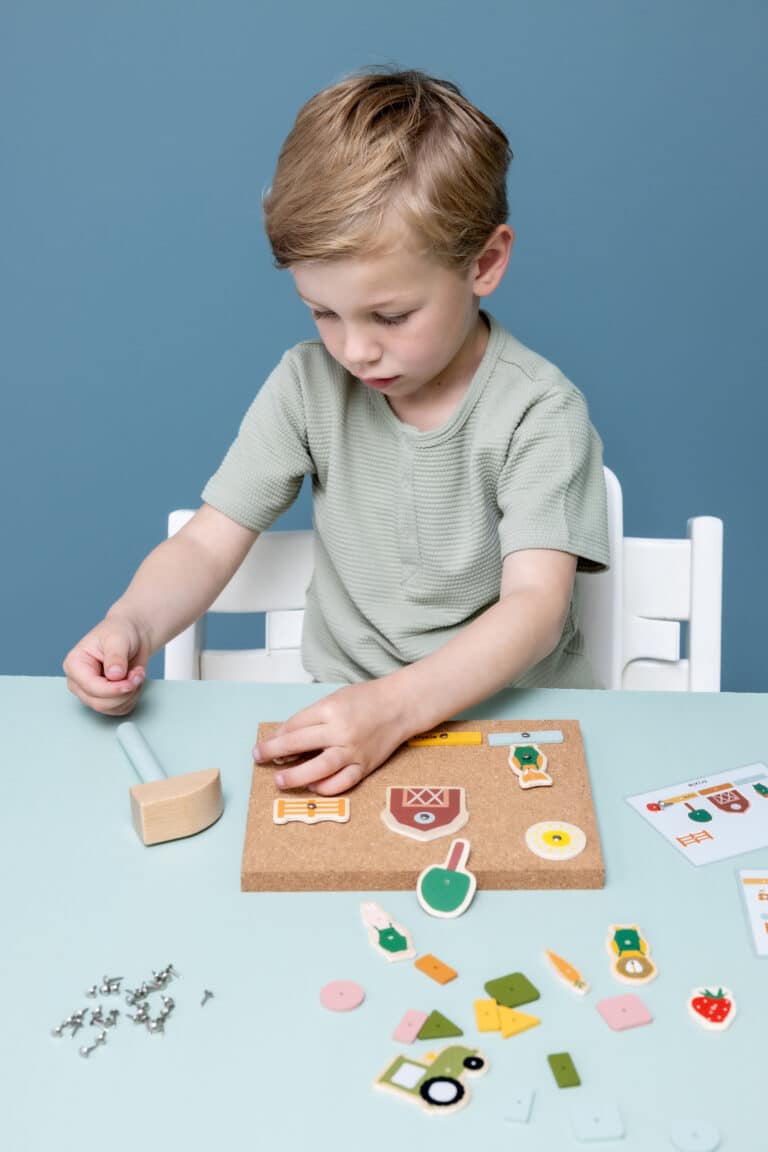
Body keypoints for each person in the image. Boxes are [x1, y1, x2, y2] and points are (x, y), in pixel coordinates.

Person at [63, 68, 609, 796]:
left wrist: (394, 708)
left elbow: (535, 610)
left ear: (484, 263)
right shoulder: (306, 384)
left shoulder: (541, 411)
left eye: (389, 317)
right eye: (322, 312)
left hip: (519, 728)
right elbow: (206, 540)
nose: (354, 351)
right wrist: (128, 624)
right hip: (355, 725)